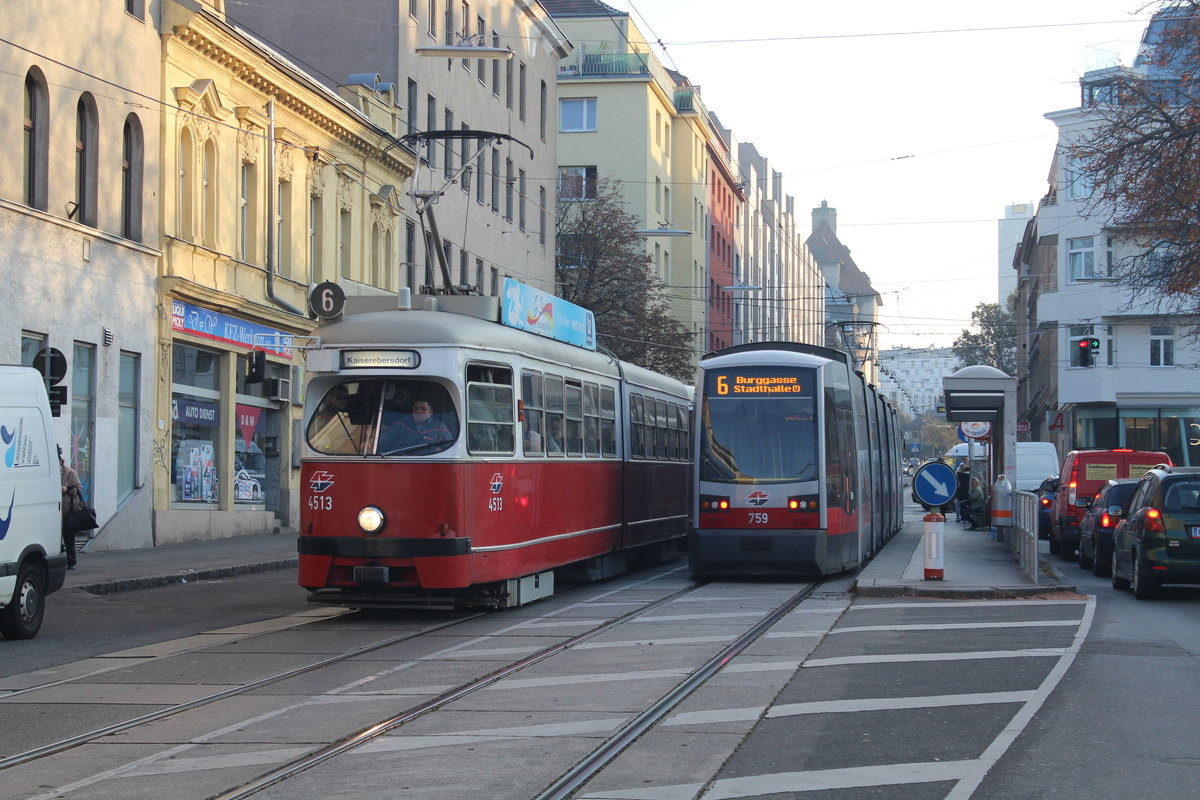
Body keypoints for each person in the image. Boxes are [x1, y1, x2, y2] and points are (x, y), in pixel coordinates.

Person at [382, 399, 453, 452]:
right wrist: (379, 433)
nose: (419, 411)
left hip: (428, 465)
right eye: (416, 408)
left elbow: (450, 449)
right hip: (400, 464)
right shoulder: (400, 425)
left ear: (431, 412)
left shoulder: (440, 428)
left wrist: (442, 450)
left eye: (423, 409)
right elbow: (382, 441)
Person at [59, 446, 81, 569]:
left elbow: (79, 489)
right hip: (56, 510)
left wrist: (66, 489)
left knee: (69, 537)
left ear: (61, 461)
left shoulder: (71, 473)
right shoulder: (52, 473)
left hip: (68, 511)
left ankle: (71, 562)